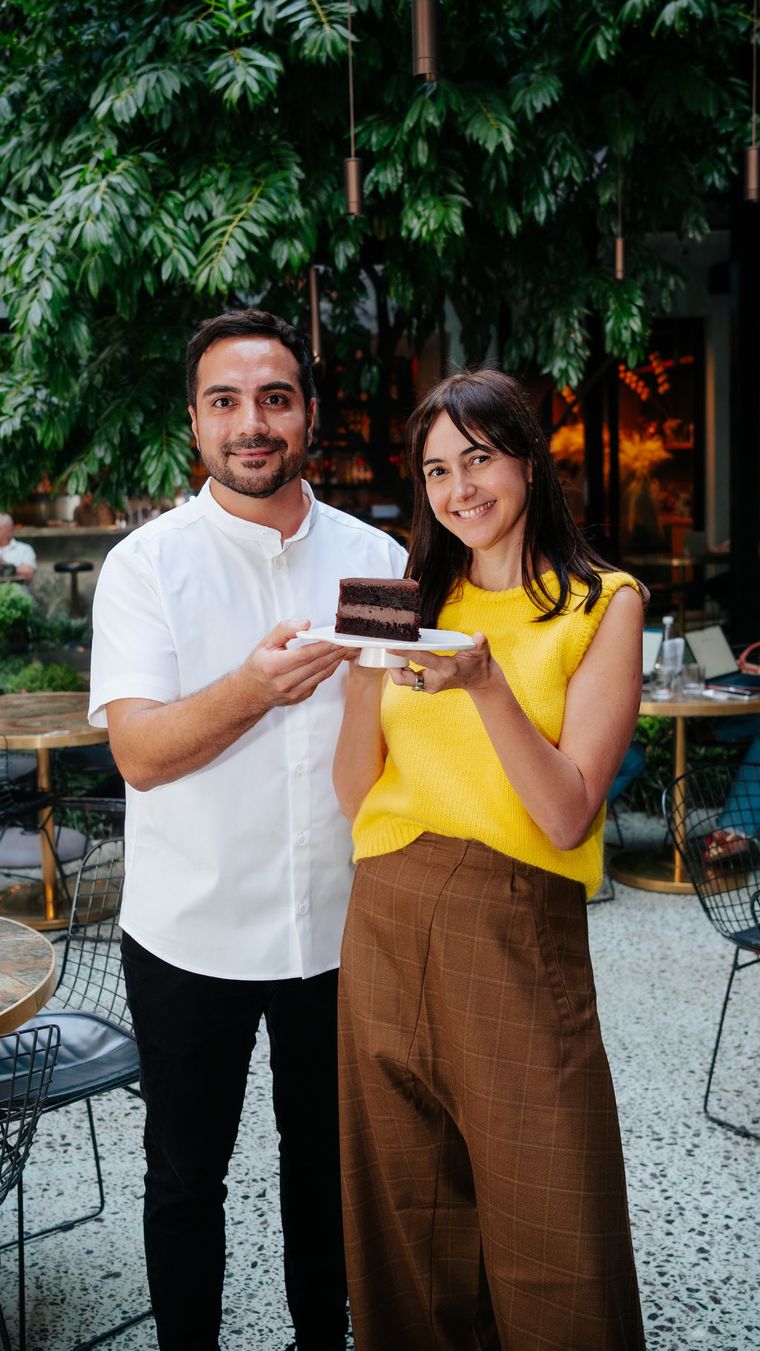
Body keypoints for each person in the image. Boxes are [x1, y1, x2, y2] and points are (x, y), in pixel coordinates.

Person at [88, 309, 407, 1351]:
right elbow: (139, 750)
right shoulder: (144, 567)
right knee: (186, 1174)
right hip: (190, 931)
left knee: (328, 1169)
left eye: (274, 397)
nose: (252, 423)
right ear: (195, 423)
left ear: (309, 412)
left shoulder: (379, 558)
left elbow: (409, 741)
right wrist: (252, 689)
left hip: (339, 927)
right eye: (225, 401)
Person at [333, 369, 647, 1351]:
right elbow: (354, 793)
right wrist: (354, 669)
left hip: (514, 927)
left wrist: (484, 685)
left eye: (478, 458)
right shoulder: (398, 600)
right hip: (384, 911)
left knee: (555, 1222)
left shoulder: (604, 603)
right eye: (435, 469)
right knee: (405, 1220)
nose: (459, 487)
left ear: (525, 457)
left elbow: (563, 814)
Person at [0, 513, 36, 579]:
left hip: (15, 588)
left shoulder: (24, 549)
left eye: (0, 528)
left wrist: (5, 566)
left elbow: (30, 573)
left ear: (9, 529)